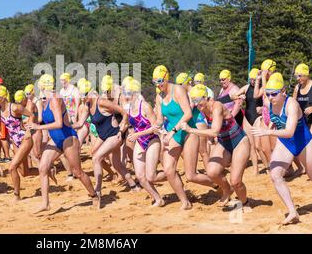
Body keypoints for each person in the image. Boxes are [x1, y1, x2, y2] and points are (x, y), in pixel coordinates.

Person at [25, 74, 98, 213]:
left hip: (68, 138)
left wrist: (38, 127)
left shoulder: (55, 99)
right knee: (42, 168)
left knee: (77, 172)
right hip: (57, 139)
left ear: (41, 85)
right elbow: (42, 119)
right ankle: (45, 203)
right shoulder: (44, 100)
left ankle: (94, 195)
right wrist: (32, 123)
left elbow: (59, 123)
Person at [251, 73, 312, 225]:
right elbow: (274, 119)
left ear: (284, 91)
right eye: (268, 94)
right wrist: (272, 123)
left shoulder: (291, 104)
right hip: (286, 143)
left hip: (303, 141)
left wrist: (268, 131)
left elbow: (290, 131)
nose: (270, 97)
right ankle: (292, 211)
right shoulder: (268, 102)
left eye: (274, 94)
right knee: (275, 174)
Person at [153, 65, 215, 210]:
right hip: (173, 134)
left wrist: (172, 131)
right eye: (155, 82)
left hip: (187, 132)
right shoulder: (158, 97)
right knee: (168, 170)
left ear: (167, 78)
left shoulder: (178, 90)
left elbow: (187, 114)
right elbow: (160, 119)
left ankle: (215, 183)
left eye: (160, 81)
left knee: (191, 175)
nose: (158, 85)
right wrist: (156, 125)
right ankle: (185, 202)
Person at [181, 84, 251, 210]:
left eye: (198, 100)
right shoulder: (203, 109)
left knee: (236, 181)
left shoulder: (216, 106)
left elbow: (214, 131)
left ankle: (245, 202)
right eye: (194, 101)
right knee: (212, 172)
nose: (197, 104)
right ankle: (227, 190)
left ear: (206, 97)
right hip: (224, 142)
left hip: (239, 141)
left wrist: (191, 130)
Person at [73, 78, 139, 208]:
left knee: (97, 158)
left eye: (84, 95)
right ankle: (134, 185)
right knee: (116, 163)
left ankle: (97, 190)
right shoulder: (87, 106)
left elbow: (123, 112)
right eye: (81, 95)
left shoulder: (102, 102)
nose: (82, 98)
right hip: (103, 136)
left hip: (115, 134)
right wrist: (65, 126)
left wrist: (122, 128)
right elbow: (80, 123)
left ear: (90, 93)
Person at [124, 79, 166, 207]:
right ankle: (158, 199)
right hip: (140, 142)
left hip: (152, 139)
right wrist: (119, 132)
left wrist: (138, 134)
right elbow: (125, 123)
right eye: (125, 93)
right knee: (140, 176)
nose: (126, 96)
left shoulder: (145, 106)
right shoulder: (128, 108)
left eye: (129, 93)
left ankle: (171, 175)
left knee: (151, 176)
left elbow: (156, 127)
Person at [229, 68, 264, 174]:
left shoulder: (263, 88)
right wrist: (239, 96)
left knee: (259, 146)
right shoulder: (247, 87)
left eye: (254, 79)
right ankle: (255, 169)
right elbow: (232, 96)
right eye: (251, 79)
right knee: (252, 145)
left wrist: (263, 108)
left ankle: (268, 165)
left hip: (259, 118)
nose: (252, 81)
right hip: (248, 117)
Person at [0, 77, 12, 162]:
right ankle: (2, 155)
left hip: (3, 118)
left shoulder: (2, 91)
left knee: (3, 137)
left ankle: (7, 156)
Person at [292, 63, 312, 132]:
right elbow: (293, 105)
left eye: (300, 76)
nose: (297, 78)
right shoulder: (297, 87)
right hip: (302, 123)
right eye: (296, 76)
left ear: (306, 75)